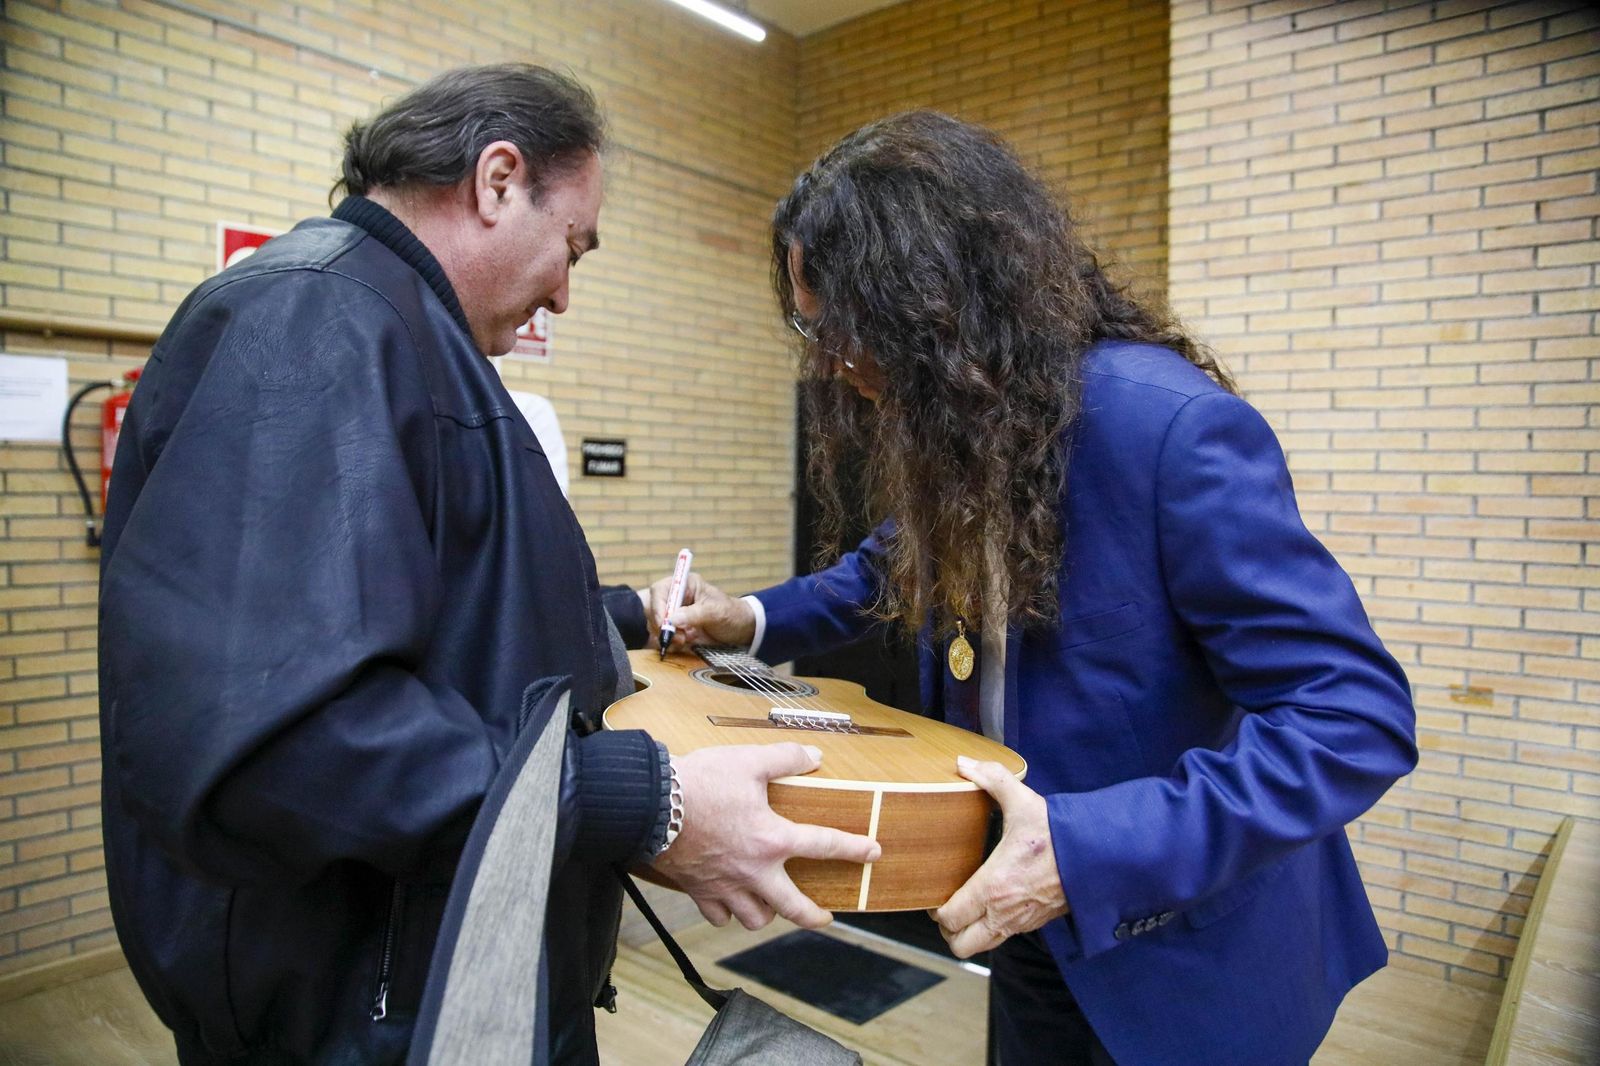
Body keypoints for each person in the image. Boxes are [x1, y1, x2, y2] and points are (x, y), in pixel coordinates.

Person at [97, 64, 879, 1066]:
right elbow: (284, 739)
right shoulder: (312, 319)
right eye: (573, 247)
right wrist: (641, 802)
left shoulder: (399, 330)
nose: (562, 289)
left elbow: (450, 616)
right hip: (368, 1011)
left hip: (447, 979)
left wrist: (629, 614)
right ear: (498, 180)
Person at [651, 111, 1418, 1065]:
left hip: (1172, 945)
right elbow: (882, 572)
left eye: (843, 327)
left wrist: (1084, 853)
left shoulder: (1166, 429)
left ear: (935, 299)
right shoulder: (968, 430)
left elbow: (1354, 718)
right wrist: (750, 616)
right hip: (1021, 919)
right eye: (814, 328)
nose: (835, 363)